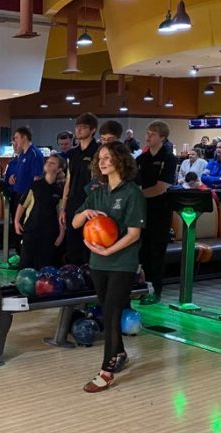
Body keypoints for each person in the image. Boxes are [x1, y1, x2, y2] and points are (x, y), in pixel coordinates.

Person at [73, 142, 146, 393]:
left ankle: (106, 372)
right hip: (98, 262)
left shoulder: (132, 193)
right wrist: (86, 213)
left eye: (108, 158)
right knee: (107, 311)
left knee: (114, 312)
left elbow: (134, 234)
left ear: (120, 161)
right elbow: (74, 223)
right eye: (100, 158)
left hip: (122, 263)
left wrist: (108, 250)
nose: (102, 162)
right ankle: (120, 353)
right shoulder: (97, 193)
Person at [135, 120, 177, 304]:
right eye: (147, 133)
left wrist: (138, 195)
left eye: (152, 134)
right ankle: (142, 287)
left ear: (162, 137)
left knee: (156, 252)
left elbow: (161, 187)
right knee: (141, 251)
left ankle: (156, 290)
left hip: (160, 211)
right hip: (142, 211)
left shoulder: (168, 158)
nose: (148, 136)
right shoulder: (141, 159)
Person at [59, 113, 100, 265]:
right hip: (72, 203)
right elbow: (68, 180)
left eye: (83, 128)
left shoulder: (98, 151)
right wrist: (63, 207)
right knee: (72, 244)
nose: (79, 130)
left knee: (89, 244)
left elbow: (99, 182)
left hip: (91, 203)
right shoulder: (72, 153)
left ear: (93, 130)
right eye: (77, 127)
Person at [15, 154, 66, 269]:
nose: (48, 164)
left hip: (49, 233)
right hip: (31, 230)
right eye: (48, 161)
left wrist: (61, 233)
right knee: (26, 262)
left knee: (45, 263)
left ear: (59, 169)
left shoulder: (58, 190)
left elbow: (60, 213)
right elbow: (22, 204)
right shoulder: (35, 186)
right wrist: (17, 221)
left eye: (53, 163)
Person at [6, 126, 44, 252]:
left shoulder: (34, 153)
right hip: (17, 194)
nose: (14, 141)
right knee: (16, 226)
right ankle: (18, 253)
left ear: (25, 137)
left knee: (24, 226)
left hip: (27, 197)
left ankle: (25, 255)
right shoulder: (22, 155)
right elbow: (20, 174)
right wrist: (13, 178)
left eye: (16, 138)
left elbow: (37, 178)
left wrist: (32, 199)